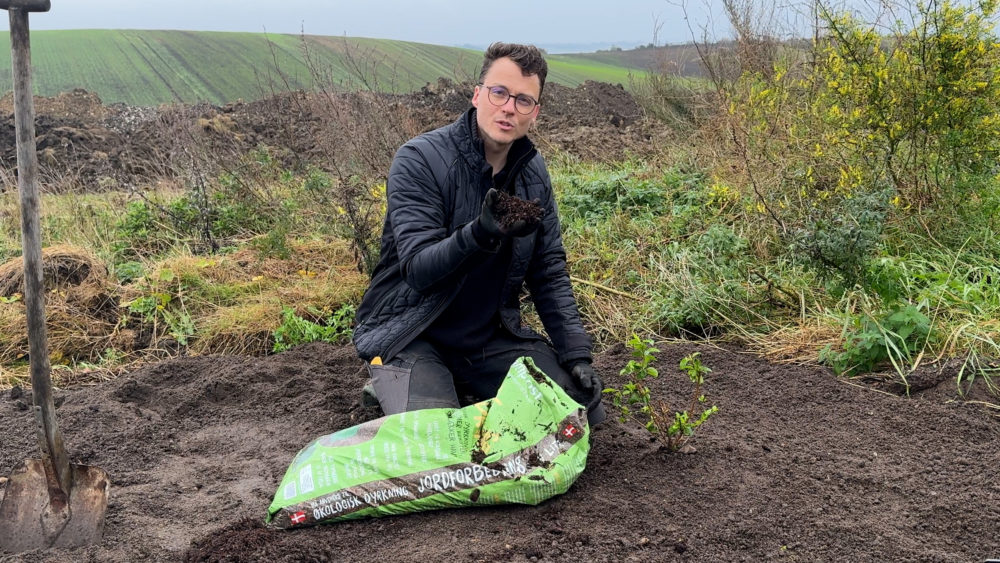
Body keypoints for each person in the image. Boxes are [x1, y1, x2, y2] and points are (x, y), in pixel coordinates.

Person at [352, 42, 605, 425]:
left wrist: (576, 356)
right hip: (412, 330)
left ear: (534, 113)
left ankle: (456, 383)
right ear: (477, 94)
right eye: (499, 92)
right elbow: (419, 269)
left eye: (523, 100)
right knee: (437, 437)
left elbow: (548, 271)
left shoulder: (532, 173)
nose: (508, 108)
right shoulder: (420, 160)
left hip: (487, 338)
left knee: (581, 412)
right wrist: (480, 234)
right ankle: (403, 380)